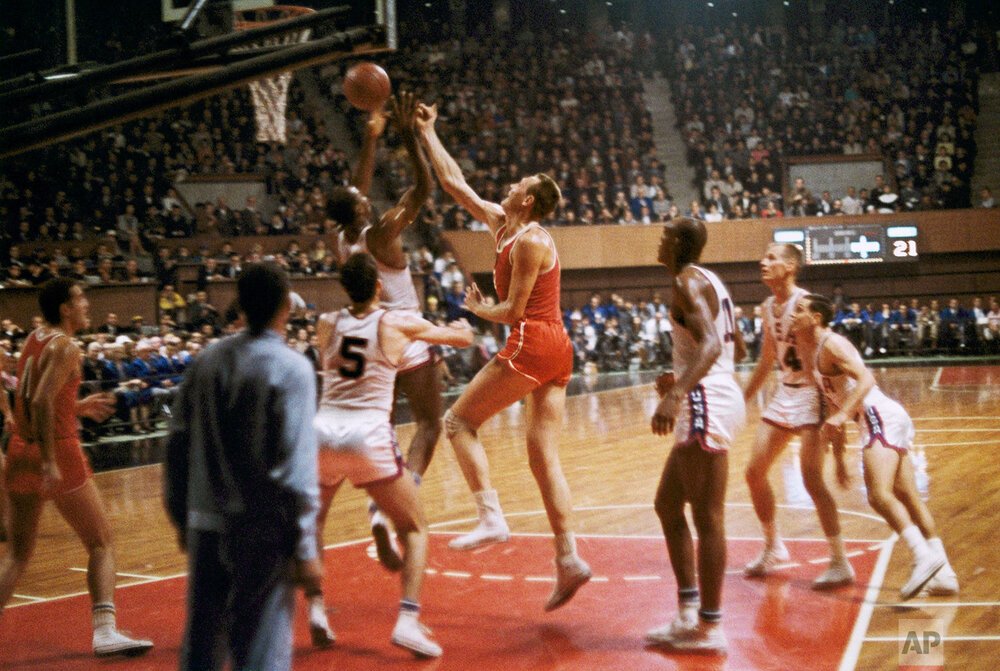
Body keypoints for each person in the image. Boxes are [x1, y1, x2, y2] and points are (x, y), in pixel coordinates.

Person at [416, 101, 591, 610]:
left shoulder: (532, 241)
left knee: (456, 423)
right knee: (543, 457)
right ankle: (568, 558)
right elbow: (454, 185)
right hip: (557, 348)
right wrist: (430, 132)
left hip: (534, 341)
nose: (509, 184)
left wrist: (478, 309)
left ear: (530, 198)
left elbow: (515, 311)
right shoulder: (501, 223)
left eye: (519, 182)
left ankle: (490, 515)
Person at [315, 253, 474, 658]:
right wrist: (461, 324)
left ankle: (316, 609)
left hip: (322, 432)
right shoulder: (395, 321)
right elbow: (461, 340)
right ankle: (407, 619)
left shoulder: (326, 323)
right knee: (416, 528)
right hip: (367, 433)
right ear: (379, 286)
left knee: (313, 526)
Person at [164, 263, 322, 671]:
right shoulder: (292, 368)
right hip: (260, 530)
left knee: (201, 648)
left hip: (205, 525)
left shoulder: (207, 361)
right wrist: (306, 547)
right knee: (261, 649)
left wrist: (182, 517)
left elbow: (177, 445)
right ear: (286, 307)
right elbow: (298, 470)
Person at [0, 278, 153, 657]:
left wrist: (78, 407)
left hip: (19, 448)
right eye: (80, 298)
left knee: (17, 556)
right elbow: (38, 401)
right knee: (101, 542)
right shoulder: (67, 346)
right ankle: (104, 631)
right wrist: (51, 462)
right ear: (65, 308)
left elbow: (29, 392)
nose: (86, 304)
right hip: (58, 454)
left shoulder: (35, 337)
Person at [326, 92, 438, 571]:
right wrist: (411, 140)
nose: (364, 194)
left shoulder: (343, 239)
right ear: (361, 210)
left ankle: (379, 503)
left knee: (384, 427)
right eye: (361, 200)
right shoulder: (383, 233)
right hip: (405, 335)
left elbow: (355, 188)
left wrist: (370, 141)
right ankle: (392, 506)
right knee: (431, 425)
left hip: (367, 338)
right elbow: (423, 190)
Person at [791, 294, 958, 600]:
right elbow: (833, 408)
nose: (793, 316)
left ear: (816, 318)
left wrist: (843, 415)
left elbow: (866, 378)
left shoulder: (832, 343)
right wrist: (839, 458)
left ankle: (924, 556)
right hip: (882, 417)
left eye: (799, 311)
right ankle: (945, 573)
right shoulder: (815, 354)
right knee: (907, 496)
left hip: (877, 415)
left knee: (879, 494)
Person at [645, 218, 745, 655]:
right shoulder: (711, 279)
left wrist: (679, 392)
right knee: (667, 504)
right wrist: (681, 375)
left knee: (708, 515)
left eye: (666, 234)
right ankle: (688, 614)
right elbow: (736, 345)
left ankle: (710, 626)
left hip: (705, 400)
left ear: (680, 243)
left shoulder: (687, 281)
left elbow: (714, 347)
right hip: (714, 394)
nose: (659, 239)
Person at [741, 244, 852, 587]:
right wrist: (740, 399)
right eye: (764, 256)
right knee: (754, 472)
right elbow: (766, 361)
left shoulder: (803, 306)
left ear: (790, 266)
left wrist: (838, 438)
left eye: (772, 257)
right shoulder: (766, 307)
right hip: (784, 392)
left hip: (812, 392)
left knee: (811, 480)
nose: (763, 261)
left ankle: (839, 561)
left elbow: (822, 366)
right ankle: (774, 546)